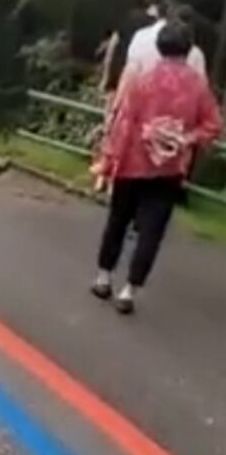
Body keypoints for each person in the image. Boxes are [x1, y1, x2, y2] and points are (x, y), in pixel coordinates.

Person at [89, 21, 221, 314]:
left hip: (132, 164)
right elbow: (213, 125)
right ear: (188, 50)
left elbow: (124, 125)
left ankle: (103, 277)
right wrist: (187, 139)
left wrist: (108, 160)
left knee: (118, 223)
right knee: (152, 231)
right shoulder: (198, 86)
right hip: (169, 169)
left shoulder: (142, 79)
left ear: (159, 46)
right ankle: (129, 291)